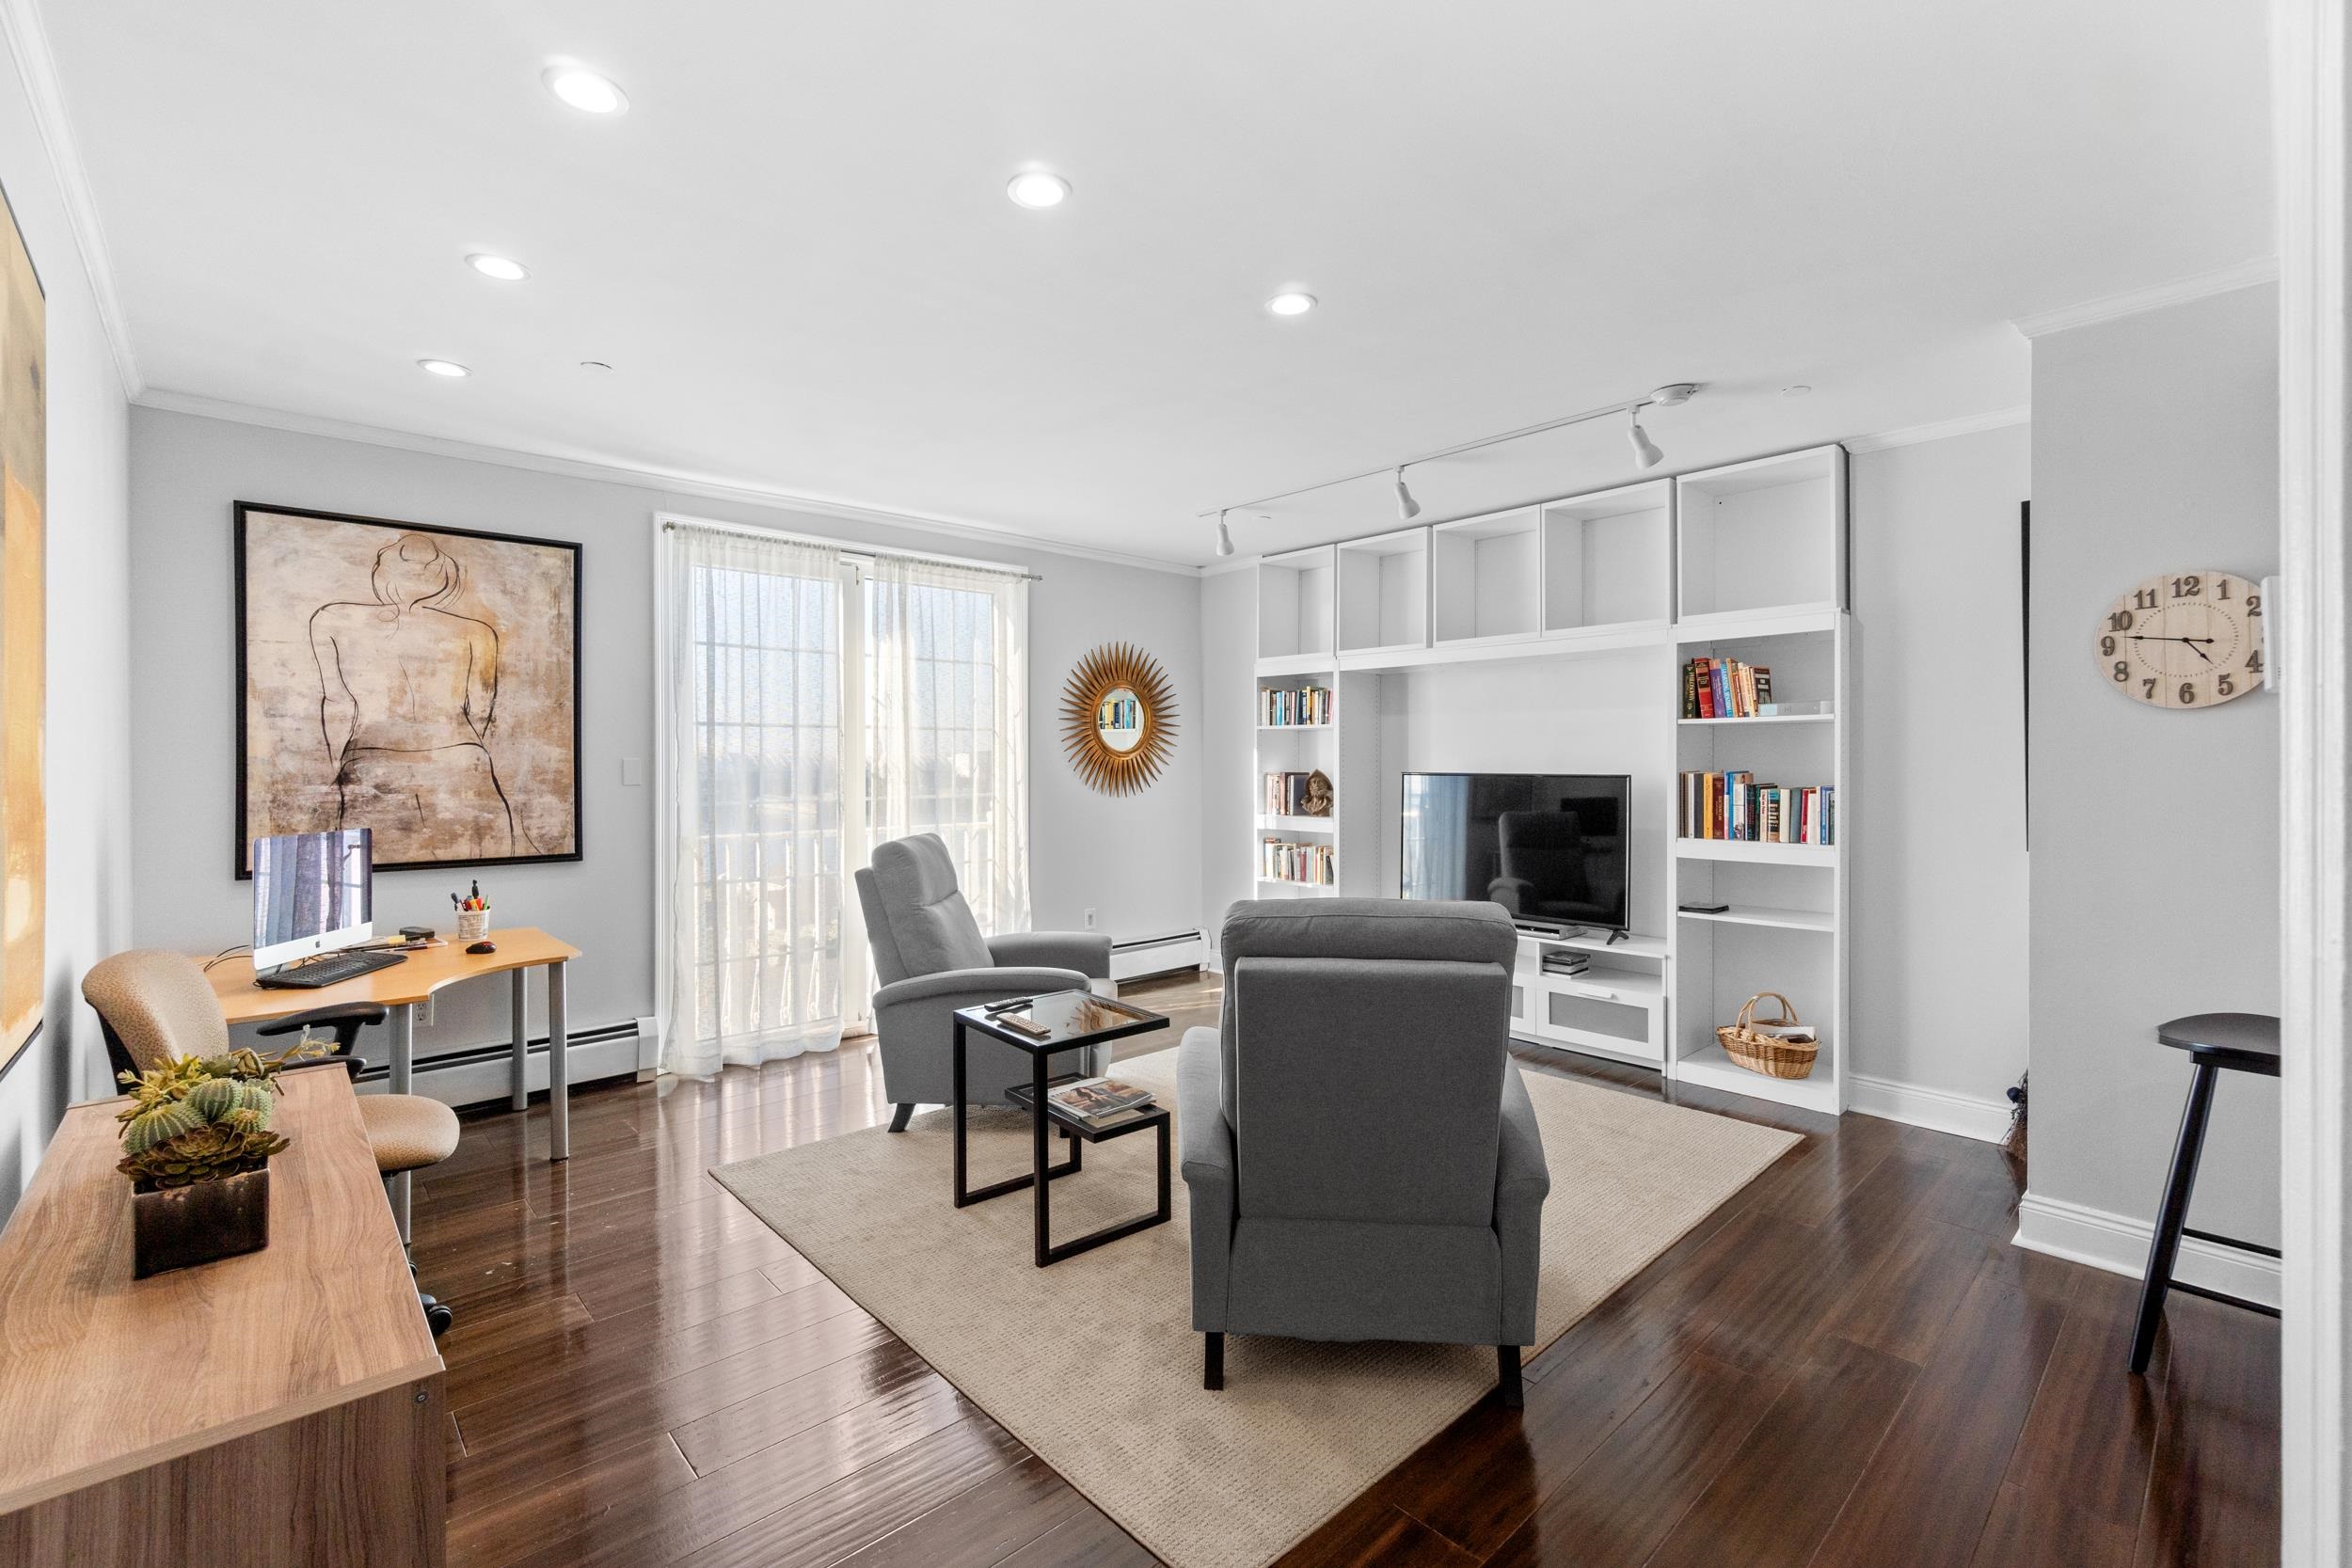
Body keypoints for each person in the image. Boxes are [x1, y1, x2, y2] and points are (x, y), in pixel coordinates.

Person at [309, 533, 517, 859]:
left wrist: (336, 764)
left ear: (384, 571)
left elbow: (337, 703)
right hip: (461, 756)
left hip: (373, 757)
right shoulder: (477, 632)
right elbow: (480, 710)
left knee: (373, 873)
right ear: (444, 575)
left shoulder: (332, 620)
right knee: (479, 867)